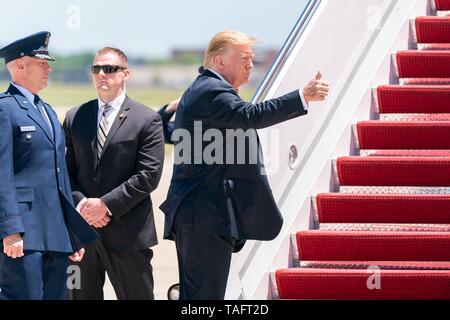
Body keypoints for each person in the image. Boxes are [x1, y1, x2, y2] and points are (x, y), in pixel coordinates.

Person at [160, 30, 329, 300]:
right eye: (244, 58)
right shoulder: (213, 91)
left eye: (252, 59)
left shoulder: (205, 89)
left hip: (201, 215)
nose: (251, 65)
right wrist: (302, 96)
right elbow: (252, 115)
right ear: (219, 61)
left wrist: (169, 109)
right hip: (204, 216)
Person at [0, 31, 97, 300]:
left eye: (48, 63)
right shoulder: (4, 109)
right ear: (19, 65)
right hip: (24, 233)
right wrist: (9, 230)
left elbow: (59, 178)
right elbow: (1, 174)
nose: (48, 69)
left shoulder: (48, 111)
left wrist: (72, 233)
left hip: (55, 232)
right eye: (41, 63)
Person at [63, 47, 165, 300]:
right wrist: (84, 204)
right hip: (83, 234)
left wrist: (106, 206)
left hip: (128, 234)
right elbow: (65, 172)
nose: (101, 74)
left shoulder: (147, 119)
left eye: (109, 69)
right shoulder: (76, 116)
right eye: (96, 69)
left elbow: (148, 175)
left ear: (125, 74)